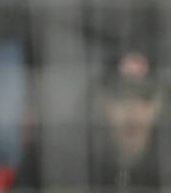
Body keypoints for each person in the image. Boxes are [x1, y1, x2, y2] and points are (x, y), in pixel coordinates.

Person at [10, 50, 171, 191]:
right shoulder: (51, 159)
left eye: (145, 97)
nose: (133, 110)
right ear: (99, 101)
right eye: (120, 96)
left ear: (160, 103)